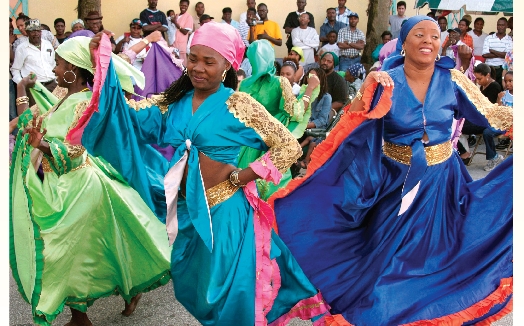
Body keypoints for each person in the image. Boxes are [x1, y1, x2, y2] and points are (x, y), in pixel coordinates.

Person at [68, 22, 328, 325]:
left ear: (227, 66)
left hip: (227, 212)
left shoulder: (238, 104)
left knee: (231, 296)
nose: (199, 67)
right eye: (193, 58)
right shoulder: (173, 102)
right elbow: (128, 119)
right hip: (187, 212)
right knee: (196, 290)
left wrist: (244, 176)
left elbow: (287, 146)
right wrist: (104, 64)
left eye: (209, 61)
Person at [270, 16, 512, 325]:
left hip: (443, 183)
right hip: (396, 183)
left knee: (438, 254)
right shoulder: (387, 80)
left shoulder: (452, 79)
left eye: (435, 36)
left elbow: (489, 113)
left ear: (441, 45)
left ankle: (424, 308)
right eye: (419, 34)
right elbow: (351, 122)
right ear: (404, 43)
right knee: (387, 261)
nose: (428, 40)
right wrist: (365, 89)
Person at [10, 35, 171, 326]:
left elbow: (77, 150)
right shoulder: (61, 99)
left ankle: (83, 315)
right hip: (59, 185)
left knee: (67, 252)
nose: (55, 69)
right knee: (88, 250)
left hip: (82, 185)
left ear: (74, 69)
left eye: (59, 63)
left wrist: (44, 145)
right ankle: (100, 304)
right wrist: (22, 90)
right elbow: (27, 126)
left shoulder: (86, 104)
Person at [238, 39, 320, 200]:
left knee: (243, 185)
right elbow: (296, 112)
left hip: (245, 143)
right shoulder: (279, 82)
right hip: (271, 143)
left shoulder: (245, 83)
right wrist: (309, 89)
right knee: (270, 190)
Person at [460, 63, 504, 171]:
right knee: (459, 124)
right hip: (484, 120)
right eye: (477, 79)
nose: (478, 81)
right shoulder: (483, 86)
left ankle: (492, 157)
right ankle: (465, 152)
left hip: (491, 120)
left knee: (462, 126)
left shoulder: (494, 87)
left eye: (480, 79)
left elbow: (489, 108)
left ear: (487, 75)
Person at [11, 19, 57, 106]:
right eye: (32, 31)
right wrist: (23, 84)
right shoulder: (22, 48)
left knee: (54, 112)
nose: (36, 34)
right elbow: (15, 69)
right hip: (35, 87)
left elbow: (53, 63)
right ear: (27, 33)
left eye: (38, 31)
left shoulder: (47, 44)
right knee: (37, 114)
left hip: (52, 84)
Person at [482, 17, 512, 86]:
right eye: (498, 25)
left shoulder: (509, 39)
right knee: (489, 88)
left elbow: (508, 55)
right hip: (489, 68)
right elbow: (485, 55)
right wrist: (501, 54)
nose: (500, 27)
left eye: (502, 25)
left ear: (506, 26)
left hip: (502, 69)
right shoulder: (489, 38)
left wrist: (493, 51)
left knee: (501, 88)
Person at [172, 0, 194, 65]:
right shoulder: (176, 15)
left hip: (181, 45)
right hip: (173, 44)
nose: (183, 7)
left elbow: (185, 32)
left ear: (188, 6)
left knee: (181, 65)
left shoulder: (189, 17)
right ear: (179, 5)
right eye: (182, 5)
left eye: (185, 6)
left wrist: (175, 23)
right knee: (173, 64)